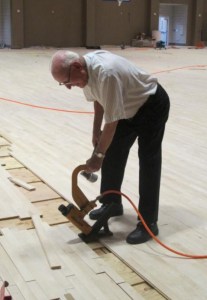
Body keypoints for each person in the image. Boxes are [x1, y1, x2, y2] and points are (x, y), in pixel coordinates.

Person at [50, 49, 170, 244]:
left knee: (148, 162)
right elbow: (99, 100)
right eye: (63, 84)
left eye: (68, 81)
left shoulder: (107, 73)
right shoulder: (85, 71)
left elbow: (112, 123)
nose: (68, 87)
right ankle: (112, 203)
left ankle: (149, 223)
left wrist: (97, 156)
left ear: (77, 67)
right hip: (127, 107)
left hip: (151, 105)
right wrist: (95, 130)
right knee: (113, 153)